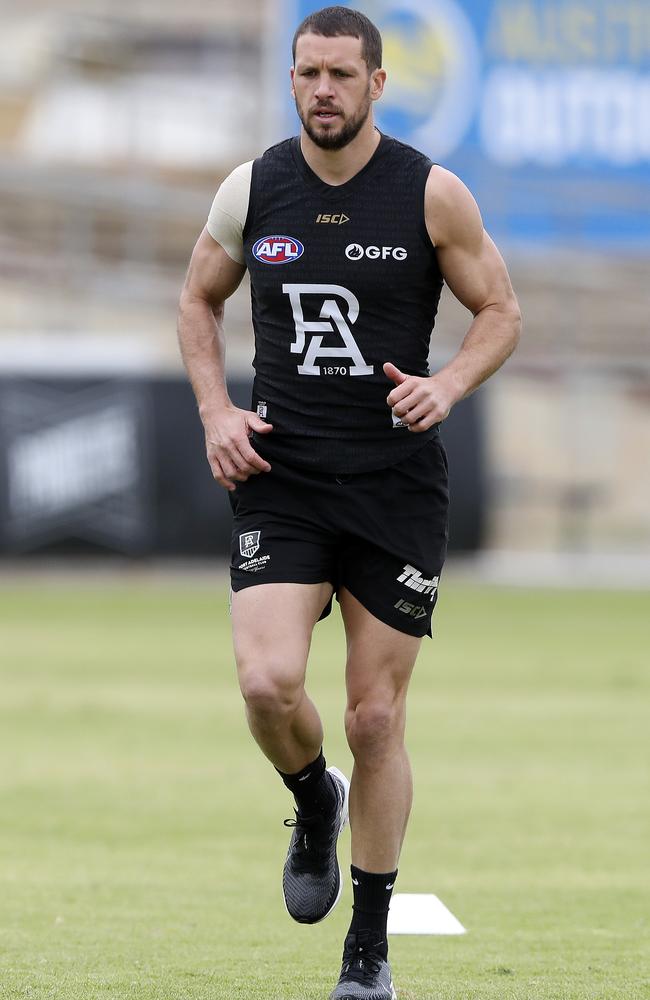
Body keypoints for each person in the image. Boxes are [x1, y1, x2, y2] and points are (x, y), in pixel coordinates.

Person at [177, 6, 521, 998]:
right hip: (281, 477)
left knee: (374, 717)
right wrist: (214, 411)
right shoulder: (253, 188)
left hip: (394, 484)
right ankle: (308, 799)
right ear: (290, 81)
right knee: (265, 685)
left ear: (376, 83)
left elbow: (499, 310)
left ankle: (365, 952)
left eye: (339, 74)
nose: (321, 89)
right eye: (306, 73)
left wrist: (445, 386)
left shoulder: (428, 192)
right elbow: (196, 297)